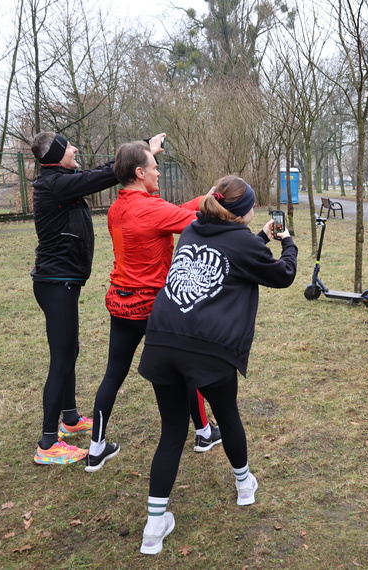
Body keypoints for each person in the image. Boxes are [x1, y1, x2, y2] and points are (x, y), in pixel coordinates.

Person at [136, 175, 297, 555]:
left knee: (172, 431)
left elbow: (228, 259)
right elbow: (282, 274)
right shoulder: (241, 241)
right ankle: (244, 486)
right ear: (243, 211)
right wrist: (286, 241)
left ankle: (153, 528)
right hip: (209, 348)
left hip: (162, 339)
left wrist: (258, 236)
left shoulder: (192, 230)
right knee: (228, 416)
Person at [85, 139, 221, 473]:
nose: (159, 171)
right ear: (139, 172)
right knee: (187, 370)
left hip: (121, 303)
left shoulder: (118, 207)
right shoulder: (149, 209)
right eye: (154, 166)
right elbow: (190, 220)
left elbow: (172, 210)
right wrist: (216, 202)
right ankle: (204, 432)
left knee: (112, 375)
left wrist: (205, 197)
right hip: (153, 309)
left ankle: (95, 449)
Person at [29, 131, 142, 465]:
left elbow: (98, 172)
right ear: (58, 155)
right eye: (70, 146)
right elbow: (104, 175)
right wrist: (139, 152)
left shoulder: (61, 179)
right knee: (62, 357)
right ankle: (48, 444)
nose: (76, 148)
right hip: (55, 282)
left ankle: (70, 418)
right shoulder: (55, 184)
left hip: (61, 280)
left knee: (69, 350)